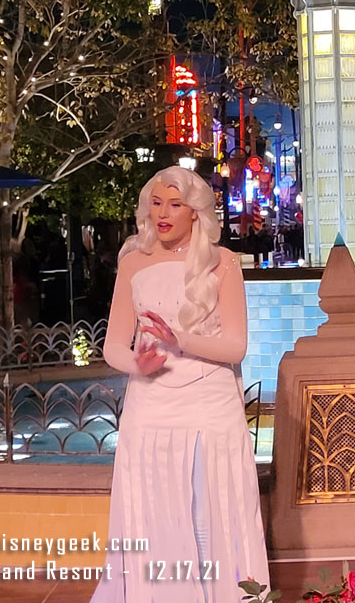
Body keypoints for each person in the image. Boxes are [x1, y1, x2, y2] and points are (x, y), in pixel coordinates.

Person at [90, 166, 270, 602]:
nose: (163, 213)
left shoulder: (222, 262)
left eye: (175, 203)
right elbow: (113, 345)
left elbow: (236, 347)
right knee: (154, 512)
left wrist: (180, 340)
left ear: (196, 212)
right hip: (150, 404)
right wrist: (138, 364)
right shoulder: (132, 262)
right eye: (156, 202)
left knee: (212, 511)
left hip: (210, 406)